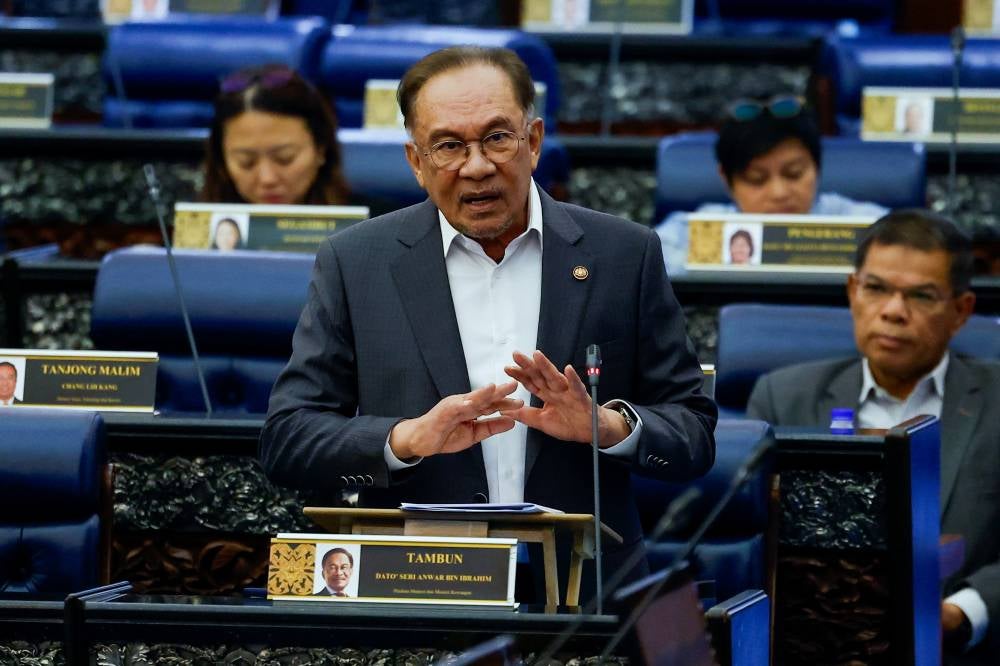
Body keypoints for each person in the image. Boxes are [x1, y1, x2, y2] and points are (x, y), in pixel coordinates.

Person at [260, 46, 717, 598]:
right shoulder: (357, 262)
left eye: (497, 138)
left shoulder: (623, 254)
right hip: (417, 589)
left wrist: (608, 427)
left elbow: (694, 432)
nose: (476, 166)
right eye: (449, 145)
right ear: (416, 162)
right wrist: (404, 439)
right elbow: (287, 441)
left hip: (583, 595)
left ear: (534, 141)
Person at [746, 209, 1000, 663]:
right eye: (877, 288)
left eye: (921, 296)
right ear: (852, 291)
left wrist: (963, 612)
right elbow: (748, 544)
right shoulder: (783, 399)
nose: (893, 312)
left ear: (961, 311)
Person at [656, 96, 887, 273]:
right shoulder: (698, 231)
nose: (779, 193)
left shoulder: (863, 224)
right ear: (726, 180)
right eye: (756, 179)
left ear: (817, 168)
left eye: (794, 174)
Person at [201, 64, 351, 207]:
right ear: (222, 160)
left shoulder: (369, 226)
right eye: (246, 162)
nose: (267, 179)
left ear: (320, 149)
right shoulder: (185, 224)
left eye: (285, 158)